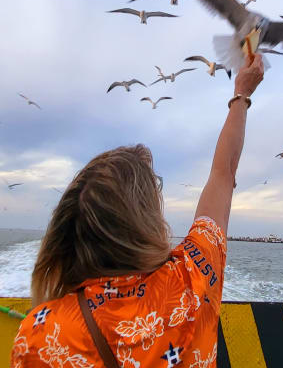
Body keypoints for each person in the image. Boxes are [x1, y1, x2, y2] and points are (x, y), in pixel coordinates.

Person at [10, 54, 264, 368]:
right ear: (146, 220)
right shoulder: (191, 281)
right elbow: (222, 175)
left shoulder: (40, 336)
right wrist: (242, 94)